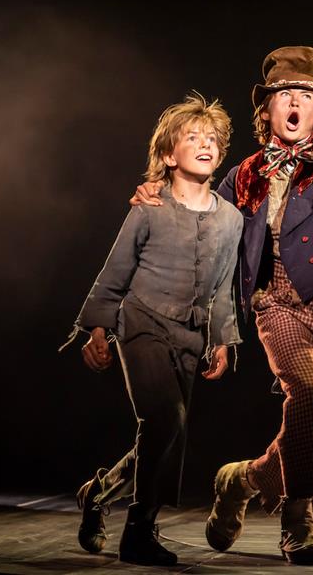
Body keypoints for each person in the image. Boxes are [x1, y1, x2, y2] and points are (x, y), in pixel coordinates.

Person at [131, 46, 313, 565]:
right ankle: (298, 523)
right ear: (267, 109)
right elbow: (202, 218)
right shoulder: (243, 175)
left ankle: (241, 480)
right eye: (285, 94)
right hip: (277, 302)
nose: (295, 102)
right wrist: (158, 195)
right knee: (306, 391)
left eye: (305, 94)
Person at [61, 92, 243, 566]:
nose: (205, 144)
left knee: (169, 434)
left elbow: (224, 286)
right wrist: (97, 330)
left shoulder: (231, 219)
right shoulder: (148, 208)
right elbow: (115, 271)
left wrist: (223, 339)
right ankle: (139, 532)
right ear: (168, 155)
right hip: (142, 320)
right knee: (164, 419)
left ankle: (98, 491)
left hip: (191, 335)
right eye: (192, 137)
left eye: (212, 139)